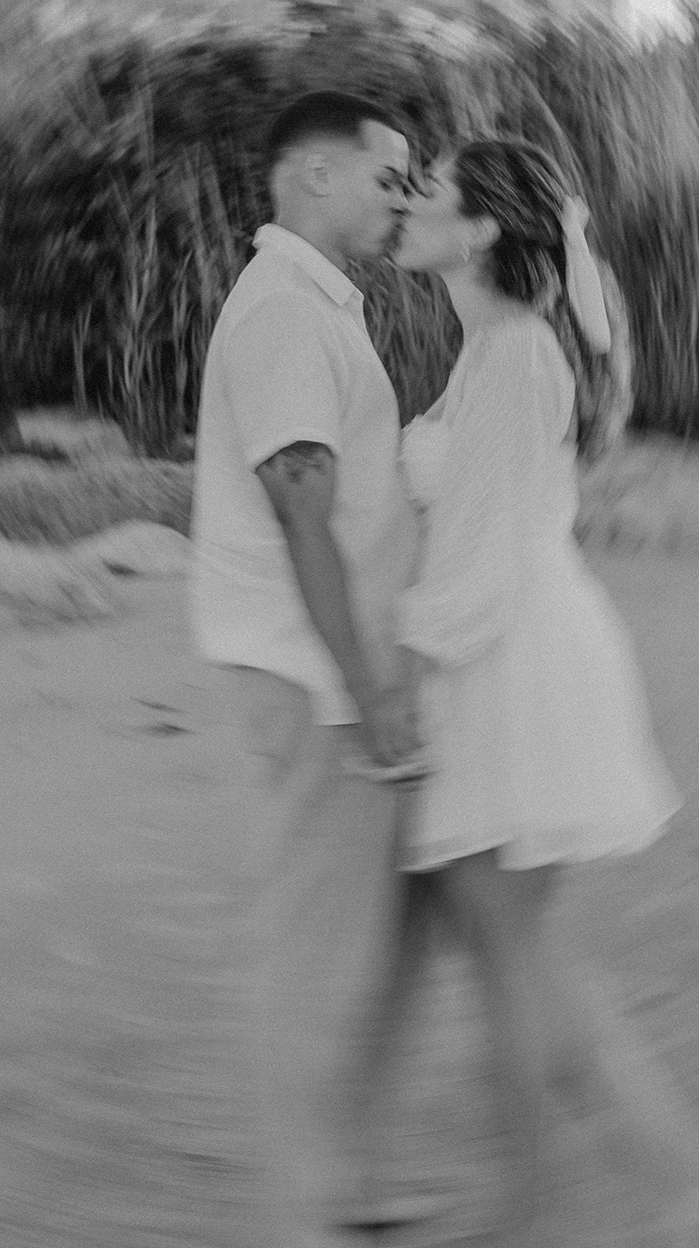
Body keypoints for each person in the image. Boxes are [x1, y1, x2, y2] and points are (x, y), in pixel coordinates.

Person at [346, 138, 699, 1246]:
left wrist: (400, 681)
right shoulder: (490, 353)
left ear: (477, 232)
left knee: (511, 956)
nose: (408, 204)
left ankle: (531, 1214)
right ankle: (679, 1184)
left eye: (427, 192)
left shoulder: (515, 356)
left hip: (502, 664)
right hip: (506, 651)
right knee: (517, 952)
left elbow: (474, 561)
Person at [188, 90, 429, 1247]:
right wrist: (368, 681)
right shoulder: (285, 307)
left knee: (354, 940)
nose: (404, 200)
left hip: (316, 666)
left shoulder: (315, 303)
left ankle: (342, 1189)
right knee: (305, 949)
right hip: (303, 675)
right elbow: (300, 509)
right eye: (389, 177)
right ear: (315, 176)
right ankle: (303, 1217)